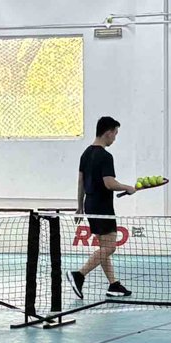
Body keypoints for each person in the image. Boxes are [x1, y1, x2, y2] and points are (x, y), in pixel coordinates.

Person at [70, 115, 136, 300]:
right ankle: (79, 275)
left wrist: (79, 207)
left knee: (104, 246)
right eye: (115, 133)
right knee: (110, 247)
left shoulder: (85, 153)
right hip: (103, 207)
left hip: (90, 204)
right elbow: (109, 183)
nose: (115, 138)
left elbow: (81, 181)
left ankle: (113, 285)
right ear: (107, 133)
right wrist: (127, 187)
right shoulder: (106, 156)